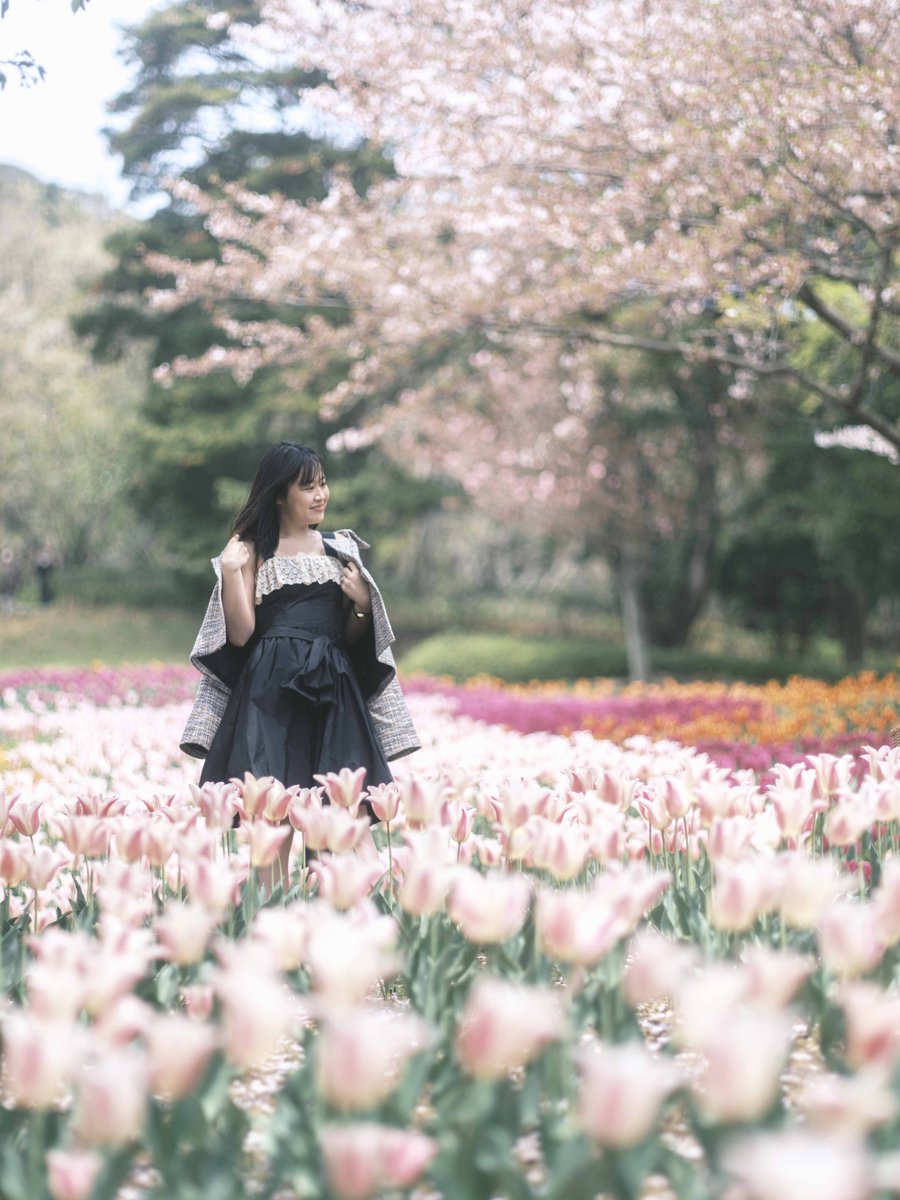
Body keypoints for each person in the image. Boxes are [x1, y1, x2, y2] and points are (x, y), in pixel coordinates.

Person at [180, 442, 419, 888]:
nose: (320, 495)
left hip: (334, 691)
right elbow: (241, 634)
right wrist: (232, 573)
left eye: (323, 484)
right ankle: (268, 924)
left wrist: (363, 605)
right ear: (277, 493)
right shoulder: (252, 551)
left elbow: (352, 638)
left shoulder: (339, 548)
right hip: (269, 696)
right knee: (274, 820)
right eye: (307, 487)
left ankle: (362, 917)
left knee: (345, 814)